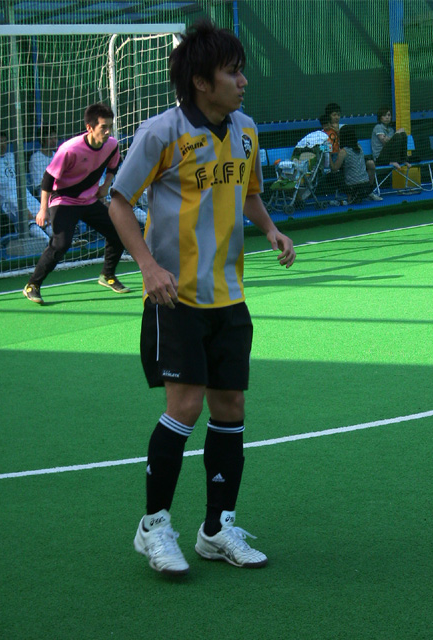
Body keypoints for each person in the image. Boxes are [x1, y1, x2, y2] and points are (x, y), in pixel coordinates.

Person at [109, 19, 296, 576]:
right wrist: (147, 267)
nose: (243, 81)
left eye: (241, 71)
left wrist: (270, 229)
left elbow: (248, 191)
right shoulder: (161, 133)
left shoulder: (246, 130)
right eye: (232, 72)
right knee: (185, 407)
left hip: (229, 298)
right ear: (199, 81)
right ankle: (154, 526)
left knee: (230, 408)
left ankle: (216, 529)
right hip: (177, 299)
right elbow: (118, 201)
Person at [22, 103, 130, 304]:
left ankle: (108, 275)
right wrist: (43, 210)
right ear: (89, 127)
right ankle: (32, 285)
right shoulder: (69, 149)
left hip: (89, 200)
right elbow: (47, 179)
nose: (108, 131)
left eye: (110, 126)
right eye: (103, 127)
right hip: (63, 201)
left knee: (118, 232)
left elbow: (114, 165)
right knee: (61, 244)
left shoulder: (112, 145)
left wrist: (106, 185)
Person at [0, 130, 51, 244]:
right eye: (0, 142)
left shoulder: (11, 156)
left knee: (43, 215)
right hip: (8, 199)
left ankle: (59, 240)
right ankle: (48, 242)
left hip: (24, 193)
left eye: (5, 142)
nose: (3, 145)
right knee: (27, 218)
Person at [330, 125, 383, 204]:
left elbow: (334, 168)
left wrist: (327, 155)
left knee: (332, 175)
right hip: (366, 187)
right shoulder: (359, 146)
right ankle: (369, 193)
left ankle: (350, 196)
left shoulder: (343, 152)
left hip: (353, 188)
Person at [29, 125, 58, 196]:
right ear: (42, 140)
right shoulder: (35, 158)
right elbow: (39, 183)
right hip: (45, 194)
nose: (54, 141)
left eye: (55, 138)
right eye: (50, 138)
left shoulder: (57, 155)